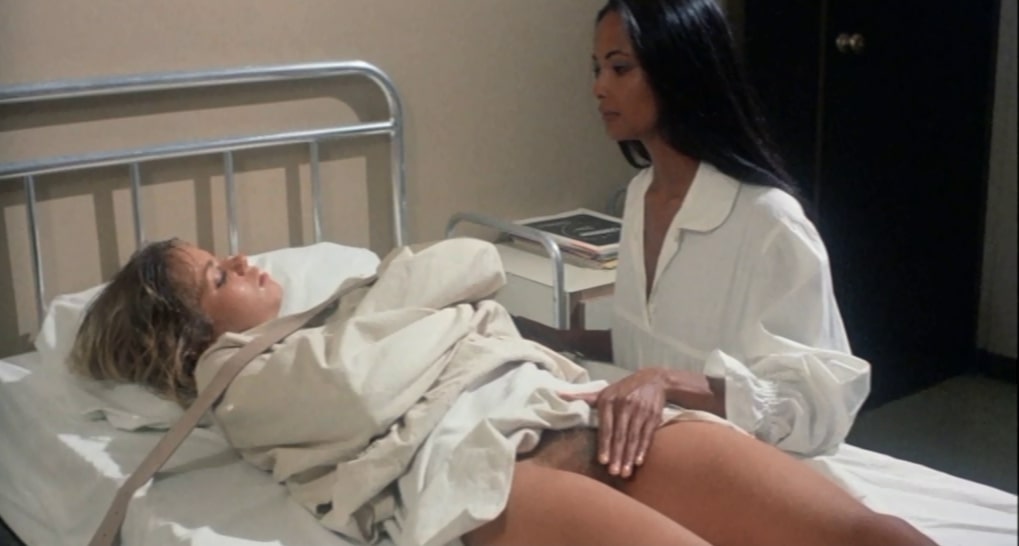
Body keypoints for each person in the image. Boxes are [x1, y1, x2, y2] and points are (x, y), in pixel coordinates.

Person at [70, 237, 934, 546]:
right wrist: (415, 306)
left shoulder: (350, 305)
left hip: (565, 404)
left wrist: (385, 306)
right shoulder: (239, 384)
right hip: (489, 476)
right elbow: (354, 395)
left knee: (869, 534)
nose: (245, 259)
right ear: (186, 332)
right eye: (219, 275)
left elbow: (478, 261)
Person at [513, 0, 871, 482]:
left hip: (743, 472)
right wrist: (557, 339)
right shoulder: (640, 195)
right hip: (654, 459)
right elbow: (655, 343)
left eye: (620, 68)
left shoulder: (768, 221)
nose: (599, 87)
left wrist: (666, 382)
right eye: (597, 69)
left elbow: (818, 406)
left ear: (677, 69)